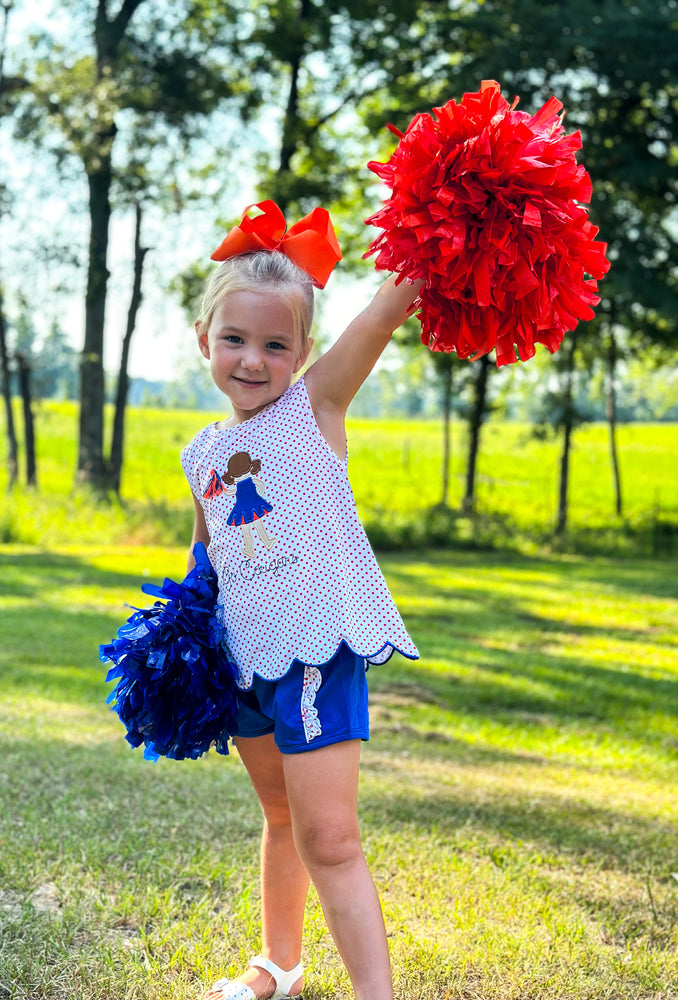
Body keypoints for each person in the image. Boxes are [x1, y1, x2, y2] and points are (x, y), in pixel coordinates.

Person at [181, 201, 420, 1000]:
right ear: (204, 342)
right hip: (245, 661)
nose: (253, 360)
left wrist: (453, 229)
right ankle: (278, 966)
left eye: (275, 344)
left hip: (317, 650)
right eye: (235, 340)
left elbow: (386, 312)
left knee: (331, 836)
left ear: (304, 352)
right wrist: (180, 632)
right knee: (282, 818)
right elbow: (206, 552)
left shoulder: (312, 409)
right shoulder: (202, 452)